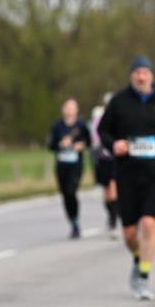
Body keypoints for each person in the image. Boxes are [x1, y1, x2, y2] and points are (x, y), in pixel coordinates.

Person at [97, 56, 155, 300]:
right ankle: (138, 259)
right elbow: (102, 130)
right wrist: (113, 144)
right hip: (126, 174)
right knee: (129, 233)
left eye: (145, 72)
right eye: (137, 72)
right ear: (131, 76)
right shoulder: (119, 102)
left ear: (152, 76)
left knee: (149, 224)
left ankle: (144, 277)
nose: (141, 76)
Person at [47, 98, 91, 239]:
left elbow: (89, 142)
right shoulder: (57, 126)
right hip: (61, 165)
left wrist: (80, 145)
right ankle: (72, 222)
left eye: (72, 107)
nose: (69, 110)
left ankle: (76, 223)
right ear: (63, 110)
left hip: (76, 165)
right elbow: (50, 145)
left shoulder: (81, 125)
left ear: (76, 110)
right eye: (67, 107)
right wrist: (60, 144)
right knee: (65, 195)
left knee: (72, 192)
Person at [90, 93, 120, 237]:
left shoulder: (120, 117)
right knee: (107, 191)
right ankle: (111, 214)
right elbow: (95, 137)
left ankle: (114, 220)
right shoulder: (99, 119)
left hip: (116, 158)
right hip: (103, 158)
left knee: (114, 188)